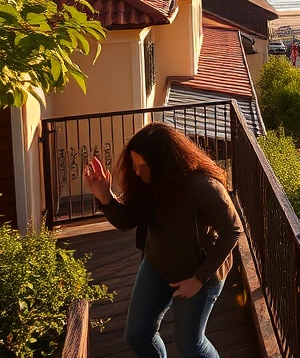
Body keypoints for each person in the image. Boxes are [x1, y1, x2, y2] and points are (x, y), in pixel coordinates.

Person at [82, 123, 242, 358]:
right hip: (156, 267)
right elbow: (129, 220)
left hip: (197, 275)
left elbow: (233, 230)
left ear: (165, 162)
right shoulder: (148, 185)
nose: (136, 172)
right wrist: (105, 197)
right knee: (137, 335)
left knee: (190, 345)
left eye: (143, 166)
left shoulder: (203, 186)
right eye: (134, 164)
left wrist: (199, 278)